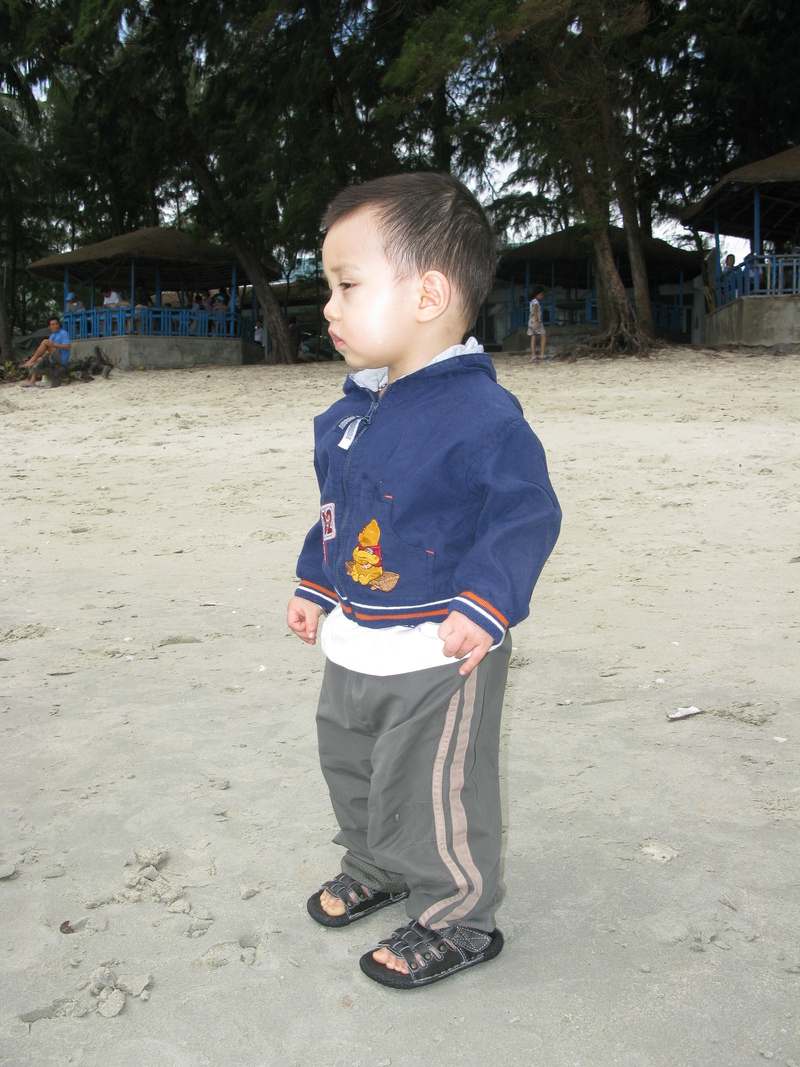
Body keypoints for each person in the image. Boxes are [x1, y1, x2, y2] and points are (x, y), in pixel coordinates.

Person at [286, 173, 561, 990]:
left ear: (429, 294)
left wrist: (487, 602)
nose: (328, 307)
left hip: (440, 648)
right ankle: (375, 862)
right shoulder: (351, 411)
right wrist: (315, 581)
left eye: (346, 285)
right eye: (328, 287)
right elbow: (339, 510)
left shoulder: (482, 415)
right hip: (356, 639)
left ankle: (456, 915)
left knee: (436, 783)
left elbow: (525, 512)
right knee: (354, 762)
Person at [20, 315, 71, 387]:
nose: (55, 326)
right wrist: (42, 356)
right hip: (54, 357)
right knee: (38, 360)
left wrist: (54, 344)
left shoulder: (63, 333)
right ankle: (32, 381)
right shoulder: (52, 335)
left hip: (62, 358)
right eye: (53, 325)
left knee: (45, 342)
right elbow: (48, 350)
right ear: (49, 326)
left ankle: (32, 360)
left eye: (56, 324)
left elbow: (68, 347)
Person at [528, 288, 547, 360]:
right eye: (541, 294)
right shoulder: (536, 302)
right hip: (536, 320)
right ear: (537, 294)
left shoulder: (532, 301)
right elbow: (535, 312)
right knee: (543, 336)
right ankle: (542, 354)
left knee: (533, 337)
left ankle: (534, 355)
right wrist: (537, 321)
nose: (542, 296)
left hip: (531, 321)